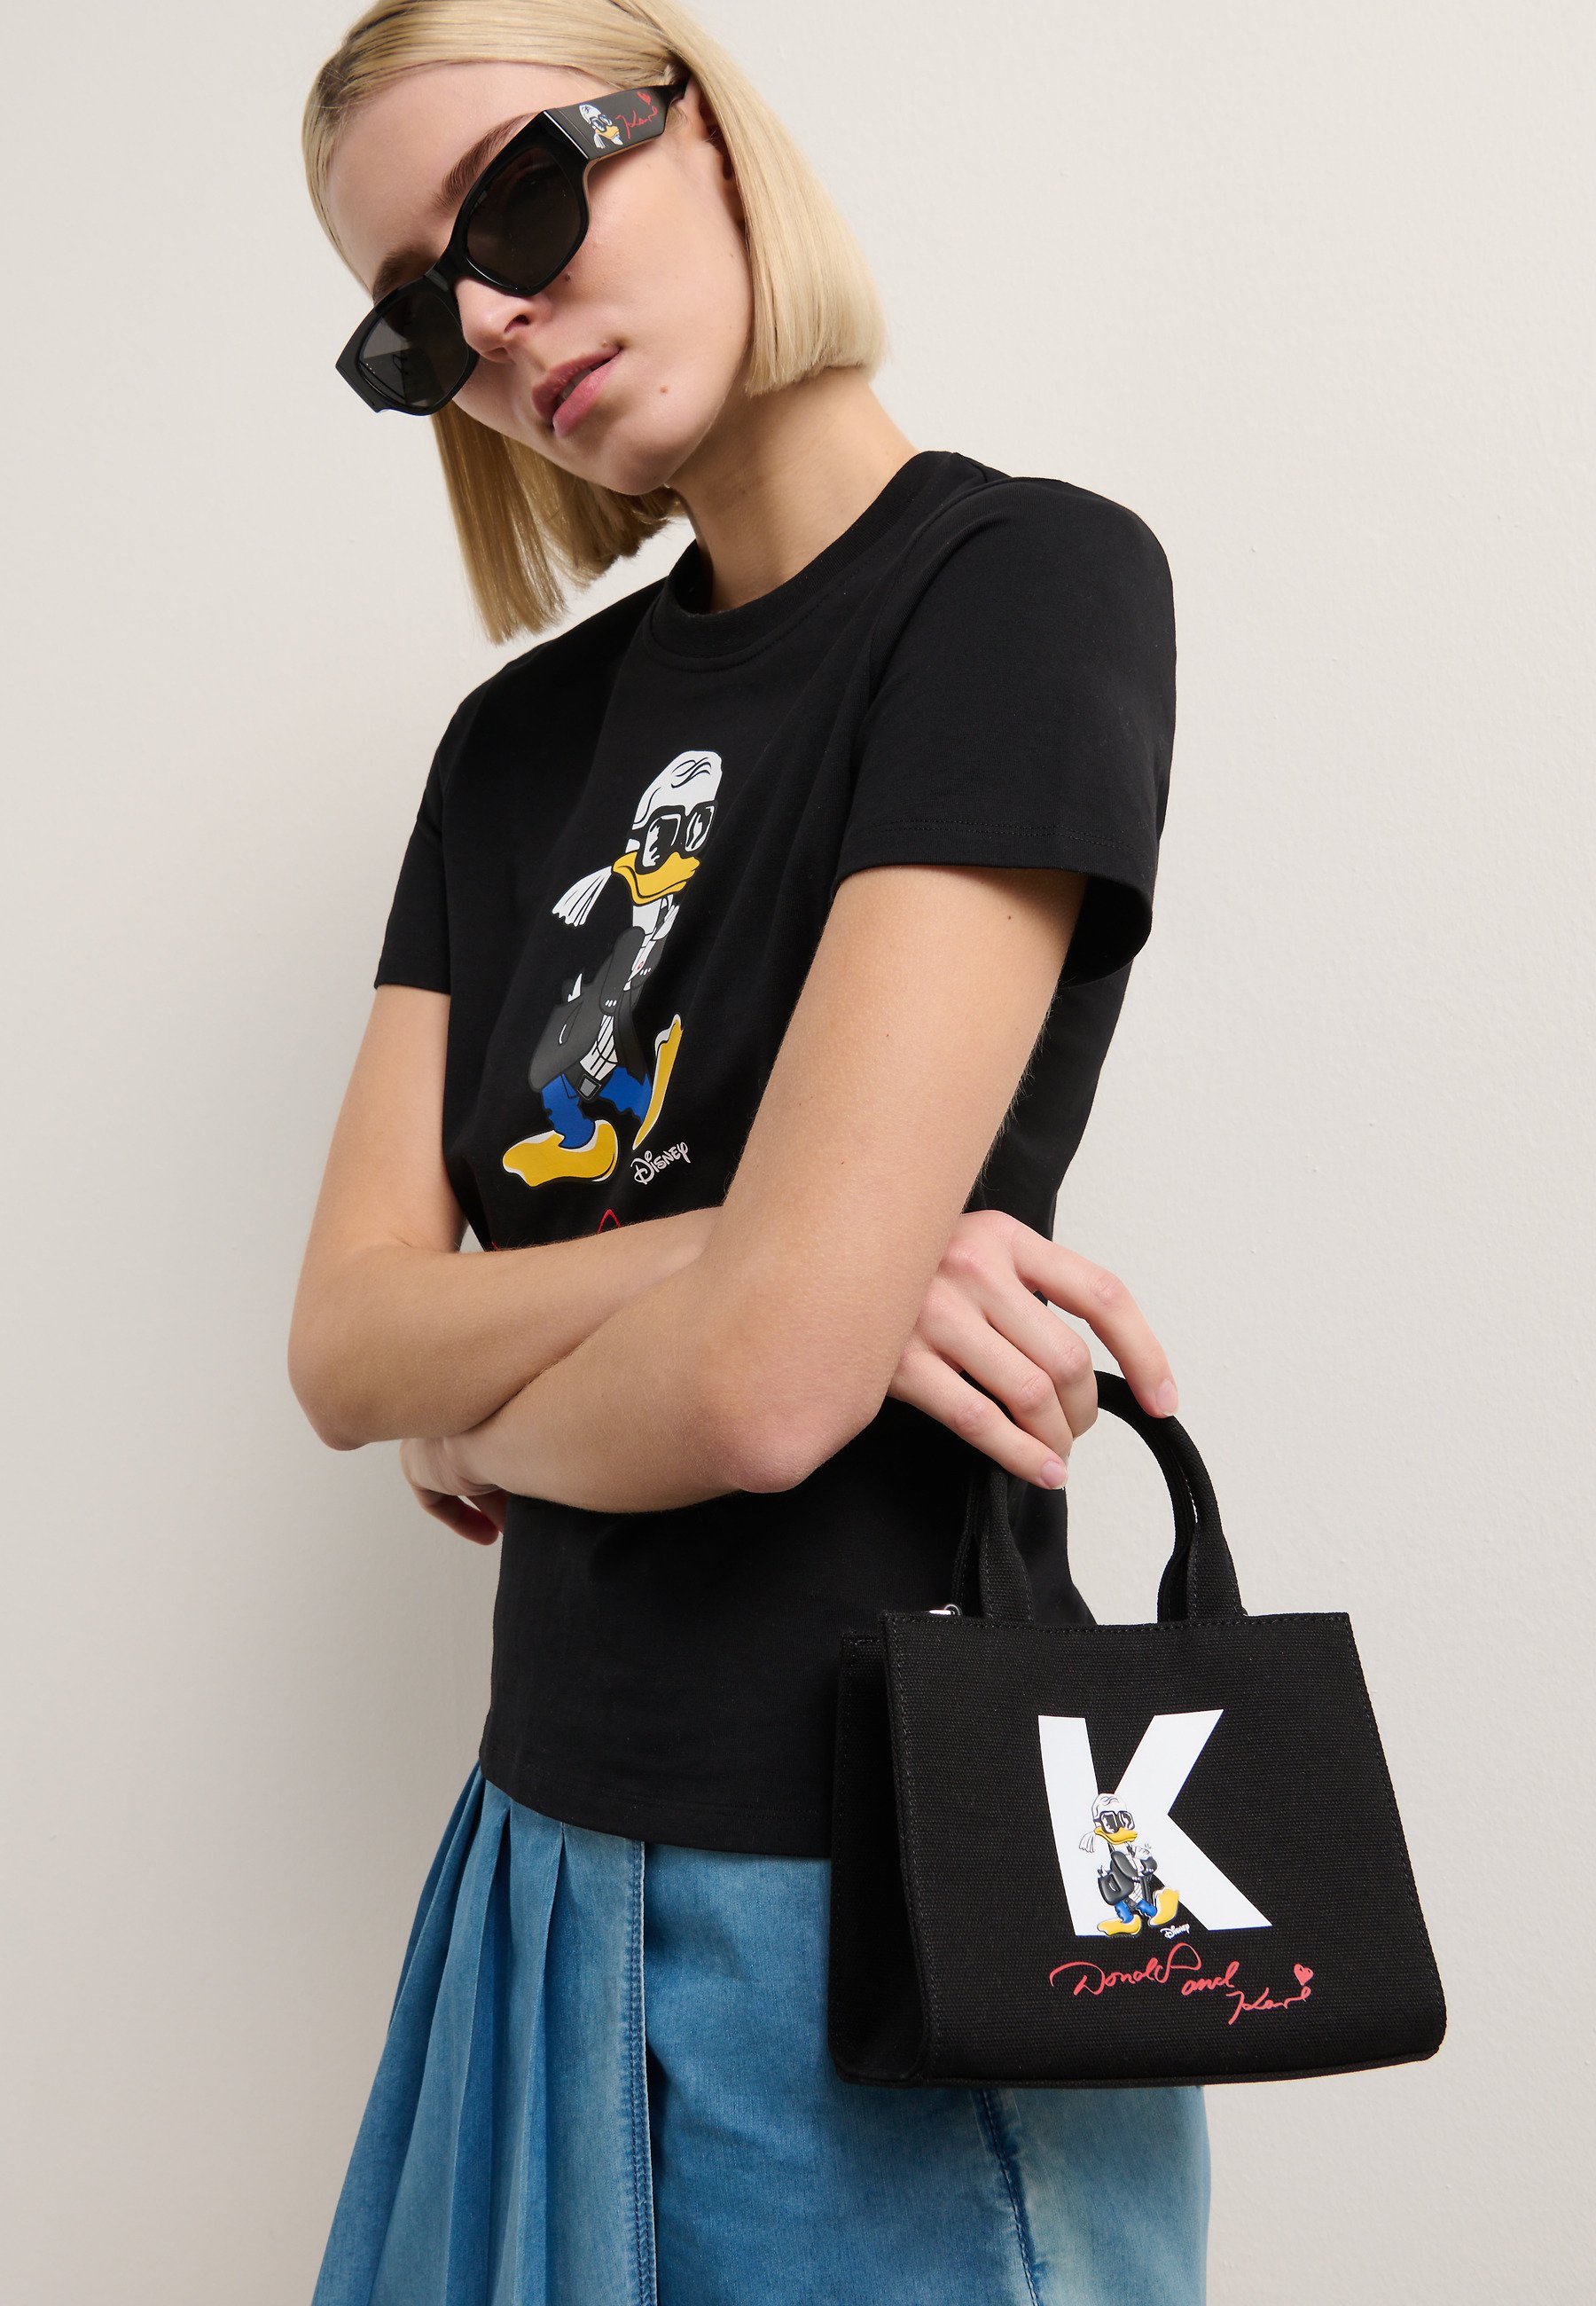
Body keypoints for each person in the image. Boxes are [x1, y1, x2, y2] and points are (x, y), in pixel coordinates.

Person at [289, 2, 1209, 2299]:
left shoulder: (1020, 587)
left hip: (891, 1879)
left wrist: (480, 1409)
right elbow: (339, 1345)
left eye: (521, 200)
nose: (496, 325)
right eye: (419, 322)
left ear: (707, 132)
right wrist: (798, 1246)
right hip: (535, 1853)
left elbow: (765, 1390)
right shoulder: (516, 747)